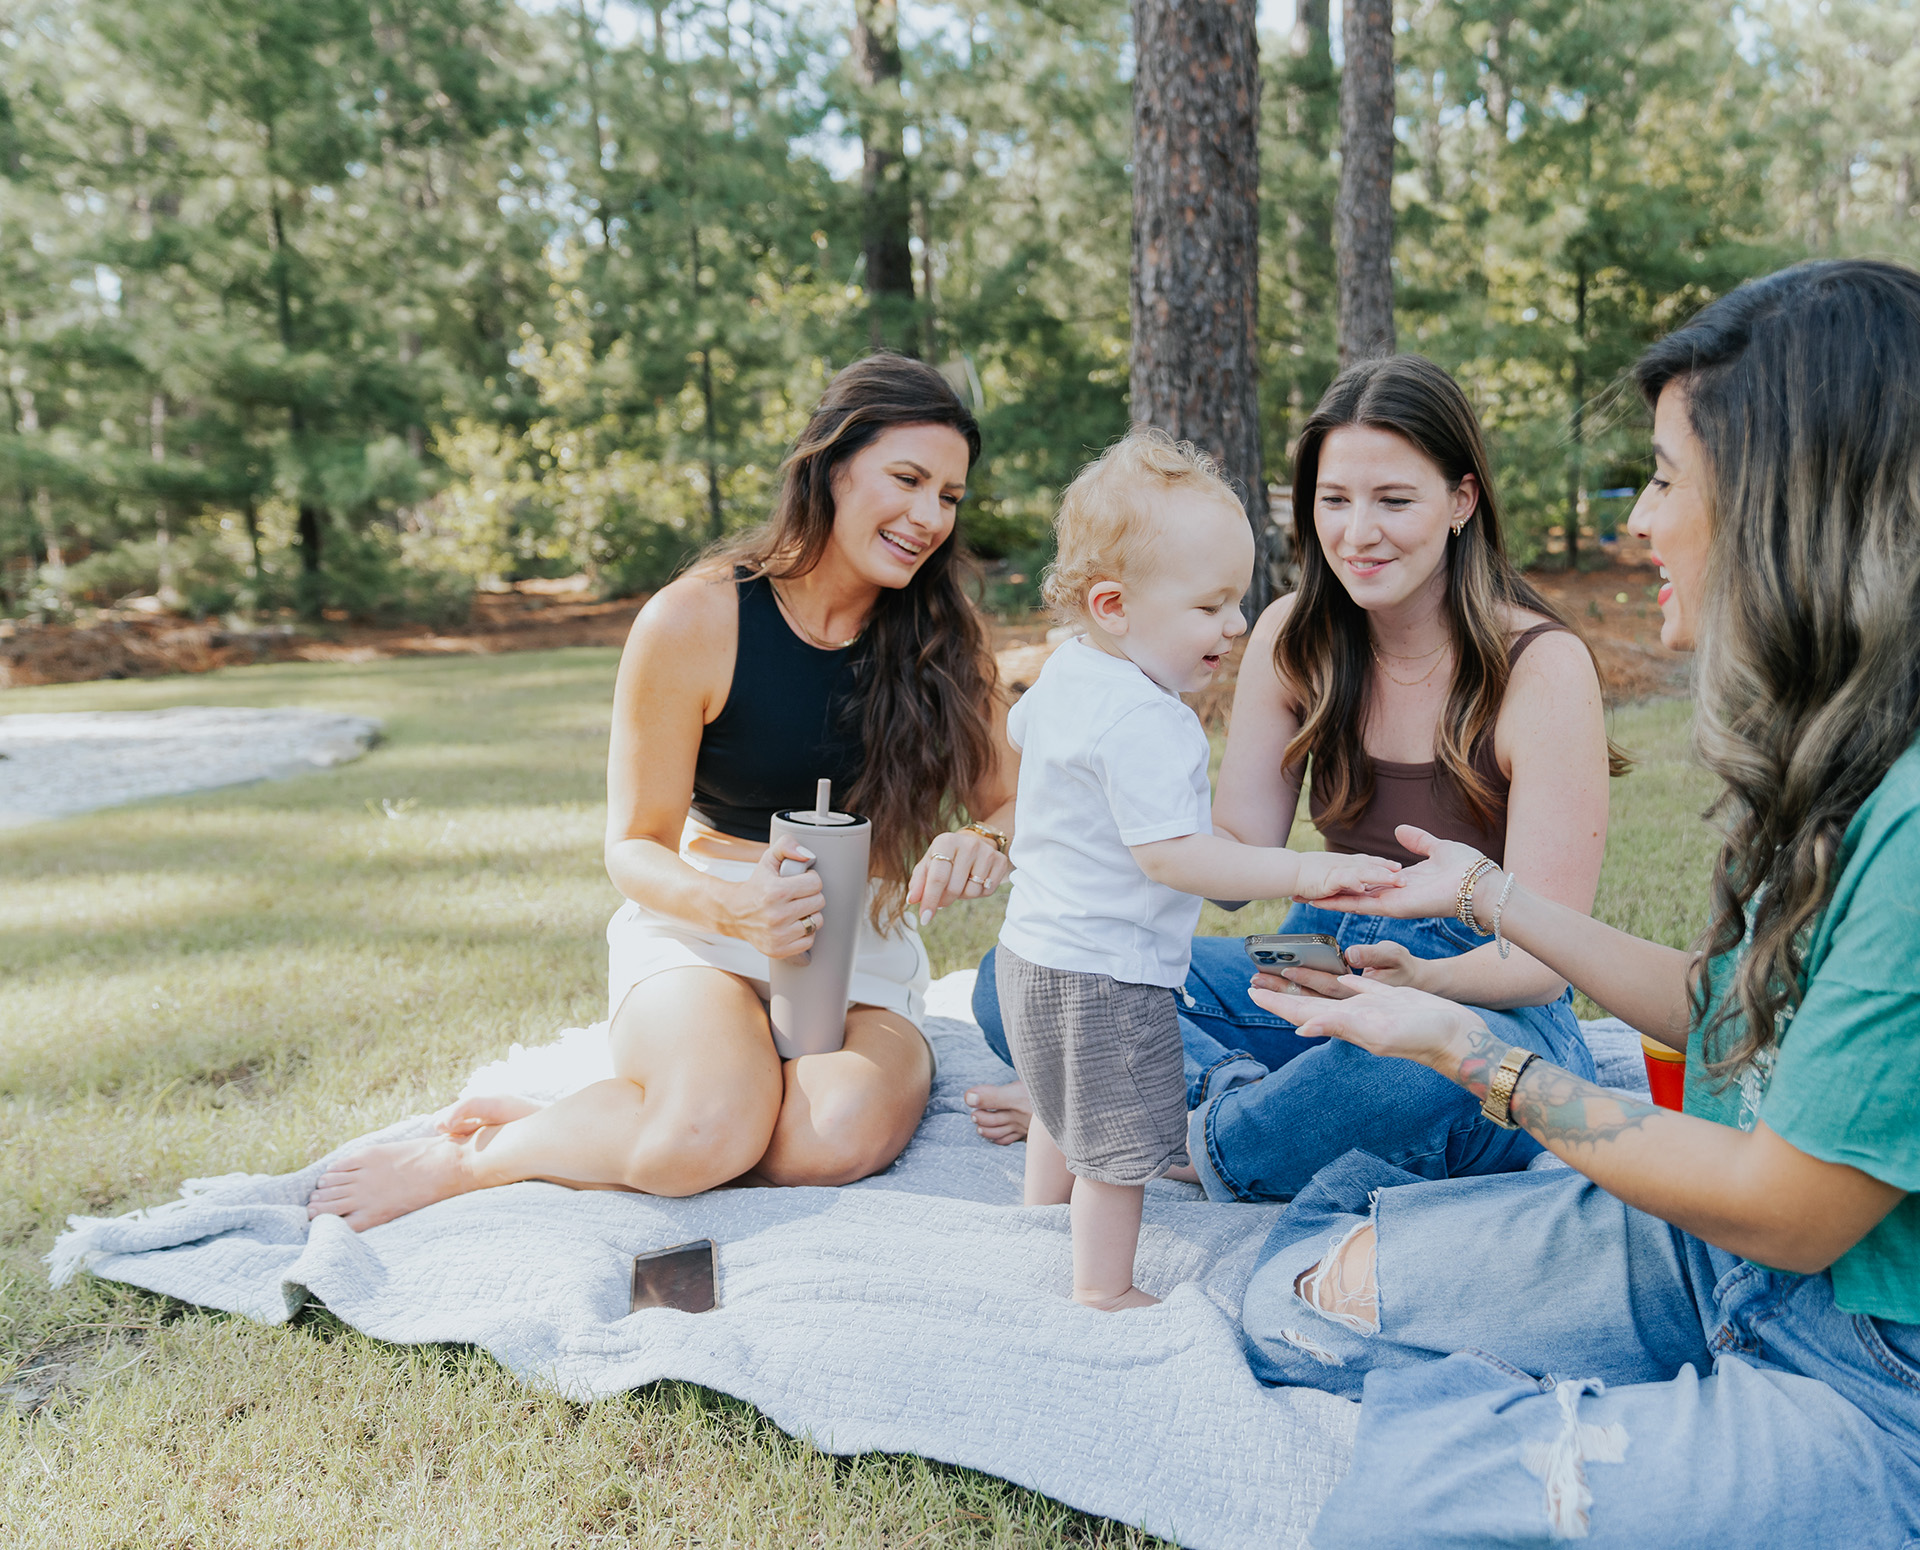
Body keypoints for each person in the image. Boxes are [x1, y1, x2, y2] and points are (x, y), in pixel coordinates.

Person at [1241, 259, 1920, 1545]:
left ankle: (1629, 1437)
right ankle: (1606, 1406)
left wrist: (1469, 1052)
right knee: (1289, 1300)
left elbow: (1792, 1202)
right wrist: (1489, 893)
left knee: (1403, 1510)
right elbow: (1725, 1010)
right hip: (1710, 1250)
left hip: (1872, 1363)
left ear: (1789, 499)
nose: (1638, 525)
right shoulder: (1840, 752)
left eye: (1665, 478)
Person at [306, 354, 1016, 1230]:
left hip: (861, 951)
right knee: (703, 1136)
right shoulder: (696, 619)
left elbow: (1017, 805)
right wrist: (735, 907)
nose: (927, 517)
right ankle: (476, 1158)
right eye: (907, 479)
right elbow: (633, 846)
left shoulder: (946, 643)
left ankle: (607, 1125)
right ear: (832, 468)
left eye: (949, 496)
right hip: (701, 934)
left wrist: (983, 840)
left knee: (830, 1141)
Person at [968, 355, 1619, 1201]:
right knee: (1029, 978)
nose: (1357, 533)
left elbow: (1538, 961)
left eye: (1394, 500)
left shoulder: (1544, 667)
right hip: (1314, 958)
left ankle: (1160, 1128)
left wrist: (1418, 982)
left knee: (1413, 1076)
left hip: (1481, 992)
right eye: (1334, 501)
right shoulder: (1290, 635)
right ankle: (1231, 1115)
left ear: (1462, 501)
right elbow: (1232, 854)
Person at [996, 430, 1399, 1310]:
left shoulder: (1065, 672)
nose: (1237, 625)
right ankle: (1103, 1287)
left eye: (1239, 602)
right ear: (1114, 605)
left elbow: (1024, 744)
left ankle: (1034, 1219)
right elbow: (1174, 856)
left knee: (1057, 1103)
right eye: (1211, 607)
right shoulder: (1151, 719)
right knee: (1120, 1141)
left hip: (1032, 949)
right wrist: (1304, 875)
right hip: (1110, 972)